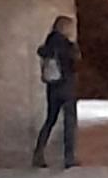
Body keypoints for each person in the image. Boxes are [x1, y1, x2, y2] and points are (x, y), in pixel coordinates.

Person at [33, 14, 79, 169]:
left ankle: (38, 153)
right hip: (67, 87)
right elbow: (74, 63)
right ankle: (69, 158)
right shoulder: (67, 45)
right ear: (64, 28)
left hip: (52, 87)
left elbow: (41, 52)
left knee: (50, 120)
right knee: (69, 122)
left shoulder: (48, 44)